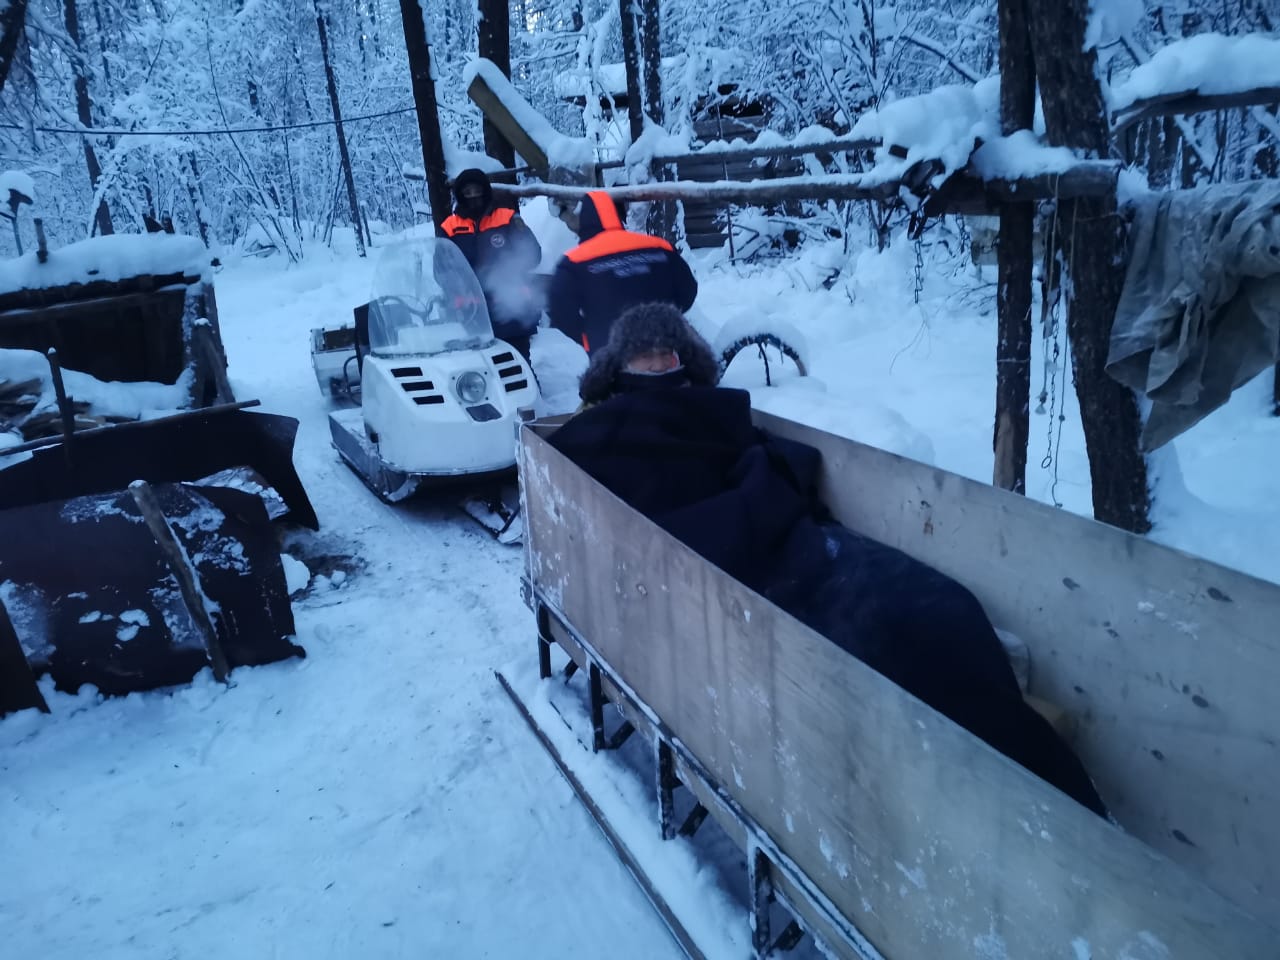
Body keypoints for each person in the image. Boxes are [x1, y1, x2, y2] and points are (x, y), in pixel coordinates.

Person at [548, 191, 698, 354]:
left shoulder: (573, 261)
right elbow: (688, 289)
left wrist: (588, 338)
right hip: (665, 347)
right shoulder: (660, 247)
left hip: (610, 352)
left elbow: (559, 311)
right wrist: (667, 319)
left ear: (584, 219)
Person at [439, 168, 543, 363]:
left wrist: (508, 271)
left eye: (477, 191)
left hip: (510, 308)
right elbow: (441, 270)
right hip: (471, 314)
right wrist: (460, 285)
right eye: (467, 193)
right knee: (481, 373)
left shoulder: (508, 218)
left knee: (519, 367)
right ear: (459, 196)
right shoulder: (449, 227)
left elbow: (533, 254)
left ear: (485, 191)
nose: (473, 197)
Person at [577, 302, 720, 408]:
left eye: (665, 353)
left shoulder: (703, 400)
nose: (658, 366)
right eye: (645, 356)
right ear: (623, 361)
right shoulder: (598, 408)